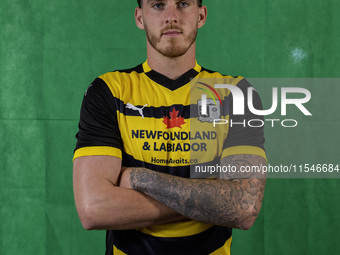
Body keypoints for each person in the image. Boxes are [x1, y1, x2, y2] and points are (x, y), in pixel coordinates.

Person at [73, 0, 267, 254]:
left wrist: (138, 178)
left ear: (201, 15)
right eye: (158, 5)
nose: (171, 16)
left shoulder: (236, 94)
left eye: (183, 4)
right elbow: (93, 209)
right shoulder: (109, 91)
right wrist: (214, 198)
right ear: (140, 17)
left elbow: (243, 207)